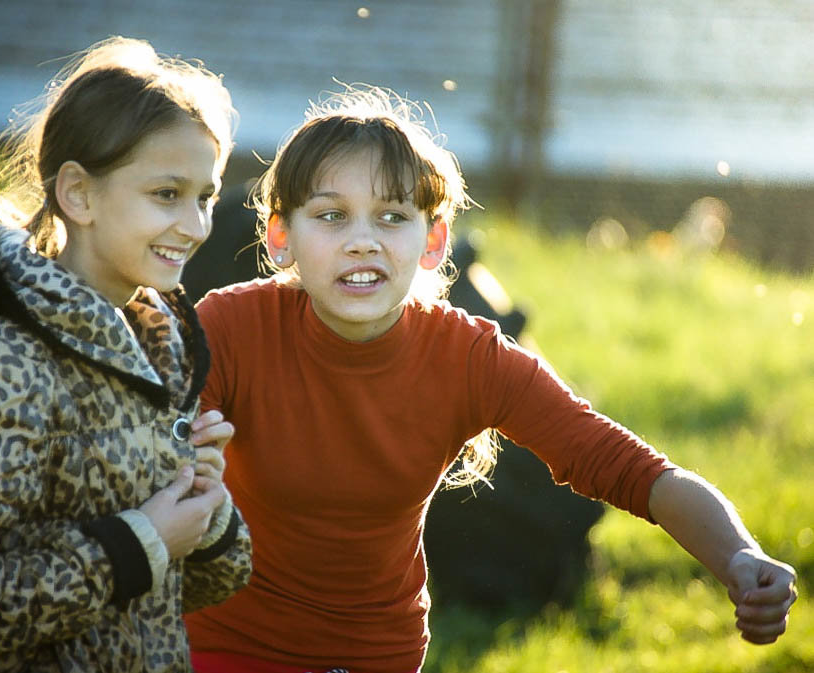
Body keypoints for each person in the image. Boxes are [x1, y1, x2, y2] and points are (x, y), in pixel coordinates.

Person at [184, 87, 798, 673]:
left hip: (373, 655)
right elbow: (147, 449)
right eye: (332, 216)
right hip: (222, 645)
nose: (362, 241)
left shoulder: (468, 356)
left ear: (433, 241)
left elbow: (626, 465)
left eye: (392, 217)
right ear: (281, 236)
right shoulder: (229, 327)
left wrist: (739, 555)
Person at [0, 37, 251, 673]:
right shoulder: (7, 360)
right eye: (167, 193)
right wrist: (145, 539)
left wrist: (202, 505)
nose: (196, 225)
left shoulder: (155, 346)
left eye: (205, 197)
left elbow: (171, 593)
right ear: (77, 194)